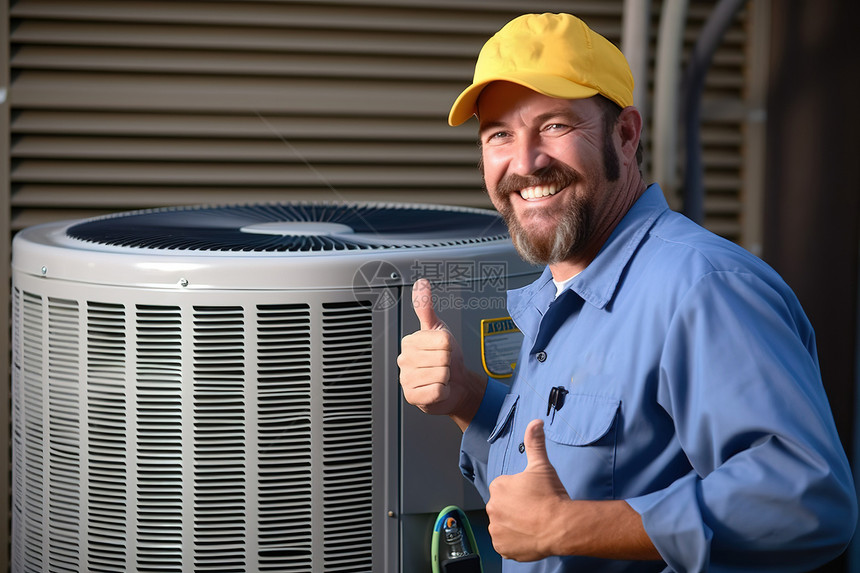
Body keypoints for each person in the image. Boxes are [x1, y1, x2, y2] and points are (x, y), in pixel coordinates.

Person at [397, 12, 857, 572]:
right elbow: (563, 469)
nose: (525, 162)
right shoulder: (557, 289)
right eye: (499, 134)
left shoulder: (702, 288)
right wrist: (466, 399)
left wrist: (570, 527)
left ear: (626, 135)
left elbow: (808, 499)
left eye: (556, 126)